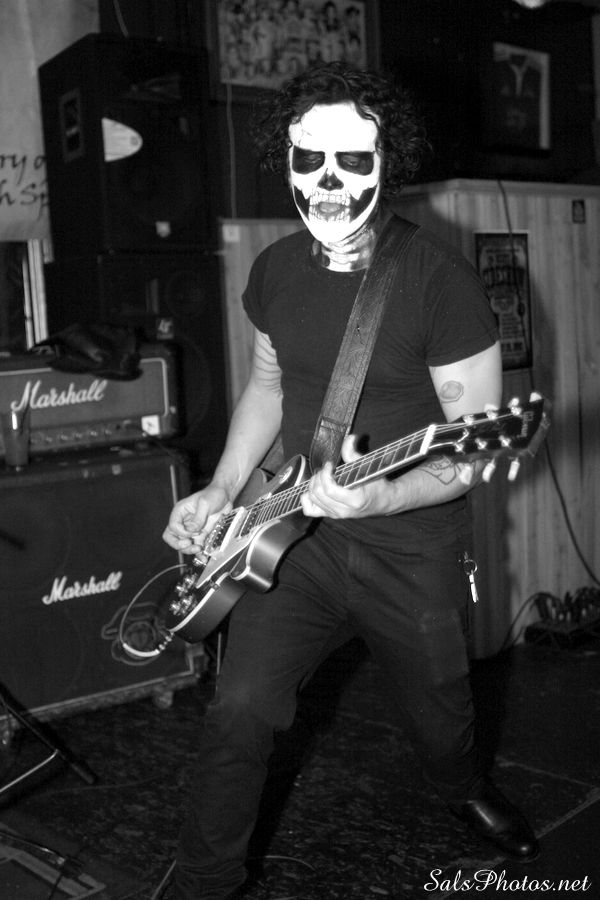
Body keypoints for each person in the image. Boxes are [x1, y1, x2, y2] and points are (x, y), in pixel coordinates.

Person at [162, 60, 539, 900]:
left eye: (352, 160)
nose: (328, 181)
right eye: (310, 159)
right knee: (239, 709)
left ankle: (462, 787)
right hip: (290, 538)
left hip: (411, 542)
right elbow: (268, 385)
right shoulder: (273, 269)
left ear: (387, 163)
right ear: (287, 162)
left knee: (441, 717)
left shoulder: (440, 281)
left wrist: (380, 494)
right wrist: (223, 488)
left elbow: (471, 452)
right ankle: (203, 882)